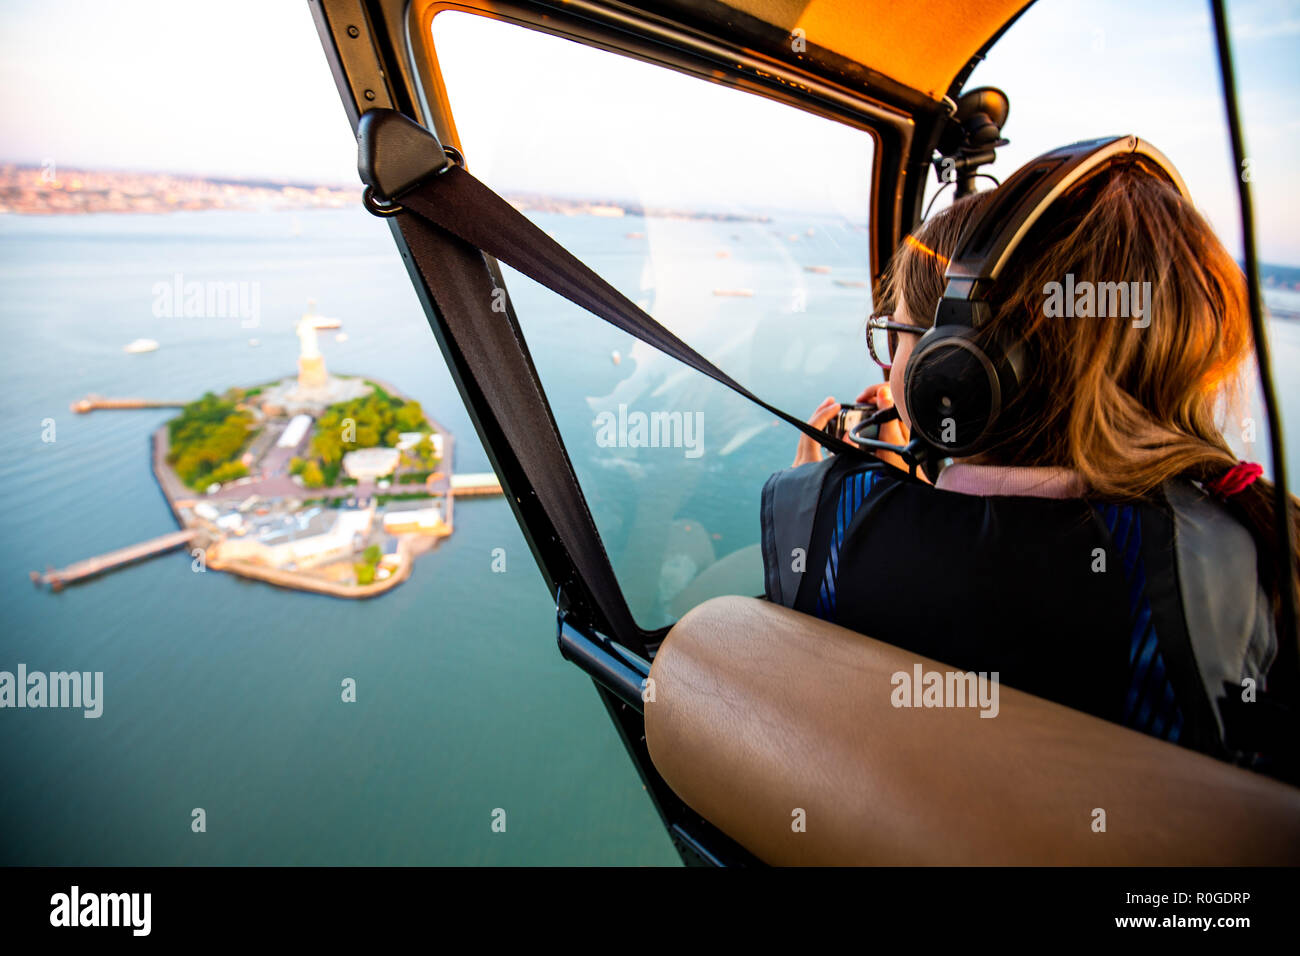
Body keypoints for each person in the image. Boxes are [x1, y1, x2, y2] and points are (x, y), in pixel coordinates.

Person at [760, 153, 1299, 781]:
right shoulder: (1251, 551)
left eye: (899, 335)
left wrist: (836, 487)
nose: (889, 365)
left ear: (954, 372)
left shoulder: (822, 522)